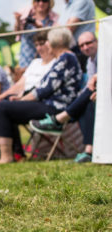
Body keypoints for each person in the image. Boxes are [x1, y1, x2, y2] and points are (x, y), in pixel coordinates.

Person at [0, 27, 83, 163]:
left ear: (58, 41)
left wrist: (21, 100)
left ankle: (7, 156)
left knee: (1, 108)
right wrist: (20, 99)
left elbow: (45, 90)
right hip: (51, 105)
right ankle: (13, 153)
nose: (47, 44)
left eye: (48, 41)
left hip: (56, 108)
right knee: (4, 107)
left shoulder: (66, 58)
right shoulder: (65, 58)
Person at [29, 31, 99, 163]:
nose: (85, 47)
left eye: (89, 43)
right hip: (95, 96)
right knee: (86, 104)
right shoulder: (90, 62)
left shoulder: (103, 55)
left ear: (97, 42)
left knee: (87, 98)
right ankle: (88, 152)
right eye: (82, 45)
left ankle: (59, 119)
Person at [54, 0, 96, 69]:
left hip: (83, 50)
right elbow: (57, 28)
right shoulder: (66, 4)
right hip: (72, 50)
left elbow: (68, 29)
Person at [14, 0, 59, 71]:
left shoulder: (54, 19)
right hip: (27, 60)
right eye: (37, 0)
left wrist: (41, 29)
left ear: (50, 1)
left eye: (44, 0)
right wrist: (18, 20)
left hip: (46, 60)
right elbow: (17, 34)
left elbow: (54, 40)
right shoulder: (26, 14)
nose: (41, 3)